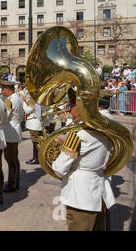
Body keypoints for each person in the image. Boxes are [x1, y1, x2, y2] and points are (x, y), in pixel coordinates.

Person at [52, 92, 115, 231]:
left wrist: (53, 159)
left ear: (80, 108)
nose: (69, 109)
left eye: (72, 105)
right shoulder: (103, 128)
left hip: (81, 195)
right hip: (100, 189)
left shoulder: (78, 134)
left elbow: (59, 168)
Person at [1, 81, 25, 192]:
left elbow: (5, 116)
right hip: (15, 128)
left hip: (10, 131)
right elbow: (21, 116)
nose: (2, 91)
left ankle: (12, 183)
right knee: (14, 158)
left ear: (7, 89)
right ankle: (16, 180)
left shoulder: (9, 100)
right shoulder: (18, 98)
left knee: (10, 158)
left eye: (3, 89)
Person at [23, 94, 44, 165]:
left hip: (34, 125)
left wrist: (23, 102)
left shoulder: (35, 102)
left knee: (35, 142)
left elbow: (27, 110)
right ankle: (38, 157)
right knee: (37, 142)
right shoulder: (39, 101)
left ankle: (36, 158)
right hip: (37, 124)